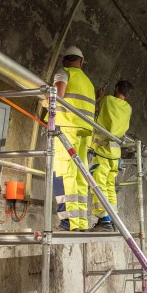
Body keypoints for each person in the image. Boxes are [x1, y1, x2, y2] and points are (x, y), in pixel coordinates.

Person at [51, 46, 96, 231]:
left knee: (63, 174)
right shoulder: (88, 83)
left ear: (64, 61)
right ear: (82, 61)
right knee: (80, 176)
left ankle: (67, 221)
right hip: (84, 132)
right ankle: (81, 222)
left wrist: (44, 100)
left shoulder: (63, 72)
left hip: (66, 130)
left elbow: (57, 95)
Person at [89, 80, 132, 232]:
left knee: (98, 185)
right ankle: (113, 219)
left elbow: (93, 110)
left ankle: (104, 220)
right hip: (116, 155)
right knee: (109, 188)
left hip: (102, 152)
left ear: (116, 88)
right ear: (127, 95)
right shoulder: (128, 108)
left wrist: (98, 97)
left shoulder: (107, 100)